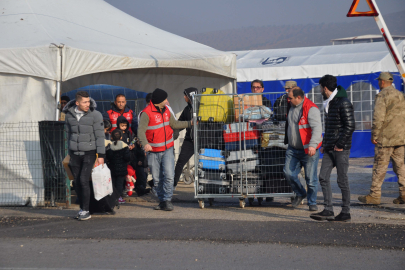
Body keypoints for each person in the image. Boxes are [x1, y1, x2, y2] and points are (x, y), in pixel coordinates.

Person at [138, 88, 192, 211]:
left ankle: (167, 200)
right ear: (159, 101)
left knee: (169, 175)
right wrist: (145, 144)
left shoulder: (167, 110)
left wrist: (190, 123)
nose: (167, 101)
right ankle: (162, 200)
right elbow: (140, 131)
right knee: (157, 179)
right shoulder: (146, 113)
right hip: (153, 151)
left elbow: (175, 124)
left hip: (167, 149)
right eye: (165, 99)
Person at [310, 75, 355, 222]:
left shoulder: (343, 102)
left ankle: (345, 212)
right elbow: (331, 127)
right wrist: (325, 144)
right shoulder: (329, 102)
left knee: (342, 180)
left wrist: (340, 144)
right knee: (323, 177)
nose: (319, 91)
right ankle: (328, 210)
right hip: (329, 148)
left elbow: (350, 126)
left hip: (341, 149)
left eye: (320, 87)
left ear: (325, 87)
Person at [358, 72, 405, 205]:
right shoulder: (400, 95)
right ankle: (404, 193)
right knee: (400, 166)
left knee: (380, 166)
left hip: (386, 138)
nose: (378, 83)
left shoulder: (382, 95)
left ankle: (374, 195)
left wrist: (375, 135)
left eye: (379, 81)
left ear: (382, 82)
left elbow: (378, 117)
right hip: (400, 137)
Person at [63, 91, 105, 221]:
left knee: (83, 180)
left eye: (89, 101)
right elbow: (68, 134)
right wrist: (68, 152)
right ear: (77, 103)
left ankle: (86, 210)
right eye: (85, 102)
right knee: (76, 182)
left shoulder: (96, 115)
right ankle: (82, 208)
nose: (88, 104)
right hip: (74, 152)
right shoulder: (69, 115)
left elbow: (100, 136)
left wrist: (101, 155)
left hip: (89, 152)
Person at [283, 87, 323, 211]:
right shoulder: (291, 106)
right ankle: (301, 193)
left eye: (290, 98)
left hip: (308, 150)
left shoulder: (311, 109)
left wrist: (312, 145)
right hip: (293, 148)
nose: (288, 100)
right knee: (288, 173)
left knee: (310, 179)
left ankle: (312, 202)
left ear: (298, 98)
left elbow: (317, 129)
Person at [173, 87, 197, 189]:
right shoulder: (187, 109)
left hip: (202, 140)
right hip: (189, 141)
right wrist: (173, 131)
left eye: (185, 95)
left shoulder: (202, 107)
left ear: (190, 96)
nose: (184, 97)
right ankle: (172, 186)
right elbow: (179, 123)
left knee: (206, 163)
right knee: (180, 162)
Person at [106, 129, 131, 204]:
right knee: (119, 184)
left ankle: (113, 197)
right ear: (121, 137)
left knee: (113, 183)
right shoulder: (124, 146)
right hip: (122, 169)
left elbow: (108, 157)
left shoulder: (110, 146)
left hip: (112, 168)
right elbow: (127, 158)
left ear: (112, 137)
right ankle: (119, 197)